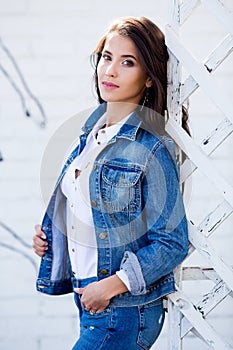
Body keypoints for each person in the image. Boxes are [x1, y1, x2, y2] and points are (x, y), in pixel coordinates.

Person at [32, 16, 189, 350]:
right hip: (90, 299)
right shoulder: (90, 138)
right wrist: (53, 238)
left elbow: (171, 242)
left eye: (127, 62)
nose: (111, 70)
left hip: (124, 310)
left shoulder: (149, 148)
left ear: (149, 78)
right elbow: (94, 216)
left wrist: (112, 285)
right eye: (107, 57)